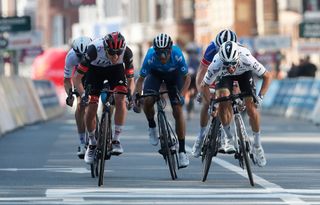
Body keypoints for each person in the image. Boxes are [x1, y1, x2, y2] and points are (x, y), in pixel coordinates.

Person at [201, 41, 272, 167]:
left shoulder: (247, 58)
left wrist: (260, 97)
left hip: (244, 74)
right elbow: (204, 85)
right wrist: (210, 103)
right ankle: (228, 137)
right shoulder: (217, 62)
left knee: (251, 107)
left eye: (233, 64)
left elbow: (267, 76)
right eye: (227, 64)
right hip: (224, 77)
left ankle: (257, 145)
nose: (231, 68)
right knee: (223, 98)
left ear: (238, 57)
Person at [73, 31, 135, 164]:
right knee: (91, 106)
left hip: (115, 71)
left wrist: (130, 94)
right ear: (105, 48)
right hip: (95, 72)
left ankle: (116, 139)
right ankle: (92, 143)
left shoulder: (127, 52)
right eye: (112, 53)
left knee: (120, 99)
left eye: (118, 52)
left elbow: (130, 79)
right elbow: (77, 78)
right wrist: (83, 95)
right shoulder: (93, 50)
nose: (115, 55)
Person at [133, 33, 191, 168]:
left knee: (177, 109)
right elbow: (140, 80)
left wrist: (181, 95)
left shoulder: (177, 54)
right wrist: (136, 94)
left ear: (170, 50)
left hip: (174, 76)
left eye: (165, 53)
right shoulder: (150, 57)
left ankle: (182, 151)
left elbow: (187, 78)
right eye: (160, 53)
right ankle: (152, 125)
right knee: (148, 100)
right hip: (155, 75)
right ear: (156, 51)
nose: (163, 57)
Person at [192, 29, 238, 157]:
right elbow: (201, 72)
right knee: (206, 103)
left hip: (229, 74)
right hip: (213, 73)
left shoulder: (239, 50)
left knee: (228, 100)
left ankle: (225, 134)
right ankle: (200, 137)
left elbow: (242, 74)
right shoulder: (211, 49)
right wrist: (201, 91)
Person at [64, 36, 92, 159]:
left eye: (84, 56)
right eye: (79, 56)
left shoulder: (95, 51)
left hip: (95, 73)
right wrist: (70, 94)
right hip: (79, 77)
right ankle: (82, 142)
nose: (82, 59)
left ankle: (103, 130)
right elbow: (67, 80)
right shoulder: (71, 57)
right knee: (81, 106)